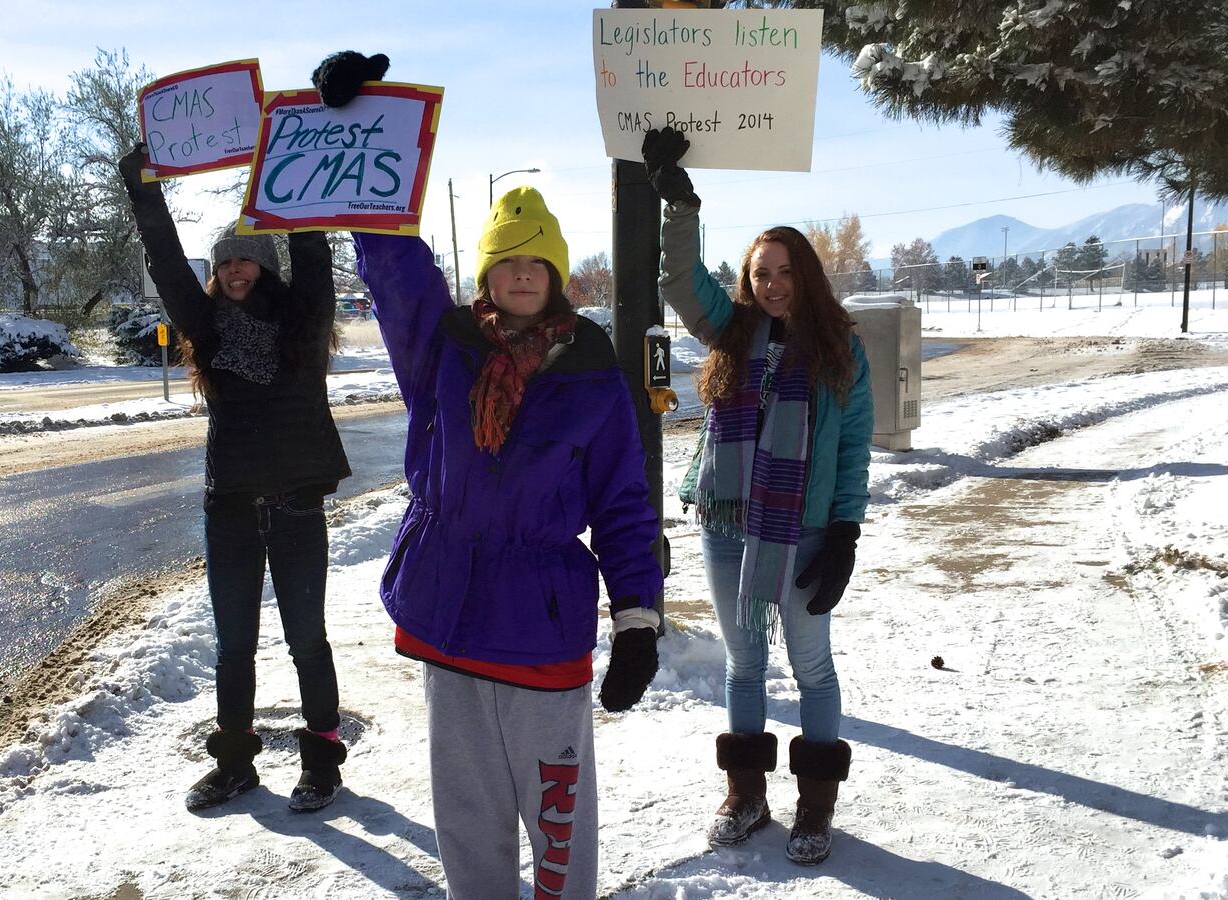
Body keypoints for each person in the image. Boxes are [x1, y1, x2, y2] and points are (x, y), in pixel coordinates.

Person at [313, 51, 663, 900]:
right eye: (507, 260)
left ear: (554, 277)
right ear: (489, 273)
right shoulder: (447, 349)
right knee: (466, 819)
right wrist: (361, 132)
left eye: (536, 263)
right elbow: (397, 277)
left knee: (554, 821)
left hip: (542, 632)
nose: (520, 273)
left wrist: (639, 619)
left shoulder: (592, 371)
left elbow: (621, 503)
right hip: (452, 615)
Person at [643, 126, 873, 866]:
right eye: (759, 272)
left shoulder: (841, 347)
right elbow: (677, 283)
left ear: (804, 275)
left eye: (782, 271)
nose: (771, 284)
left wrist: (845, 532)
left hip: (804, 530)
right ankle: (747, 794)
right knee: (745, 664)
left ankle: (815, 805)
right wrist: (681, 206)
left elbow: (852, 448)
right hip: (729, 524)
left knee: (812, 666)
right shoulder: (731, 331)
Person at [118, 144, 351, 813]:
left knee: (307, 638)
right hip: (231, 508)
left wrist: (305, 176)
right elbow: (165, 262)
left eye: (244, 256)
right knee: (233, 646)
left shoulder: (303, 321)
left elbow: (312, 251)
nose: (233, 268)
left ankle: (322, 760)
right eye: (224, 261)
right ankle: (235, 765)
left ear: (266, 264)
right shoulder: (207, 327)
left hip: (297, 504)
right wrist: (143, 194)